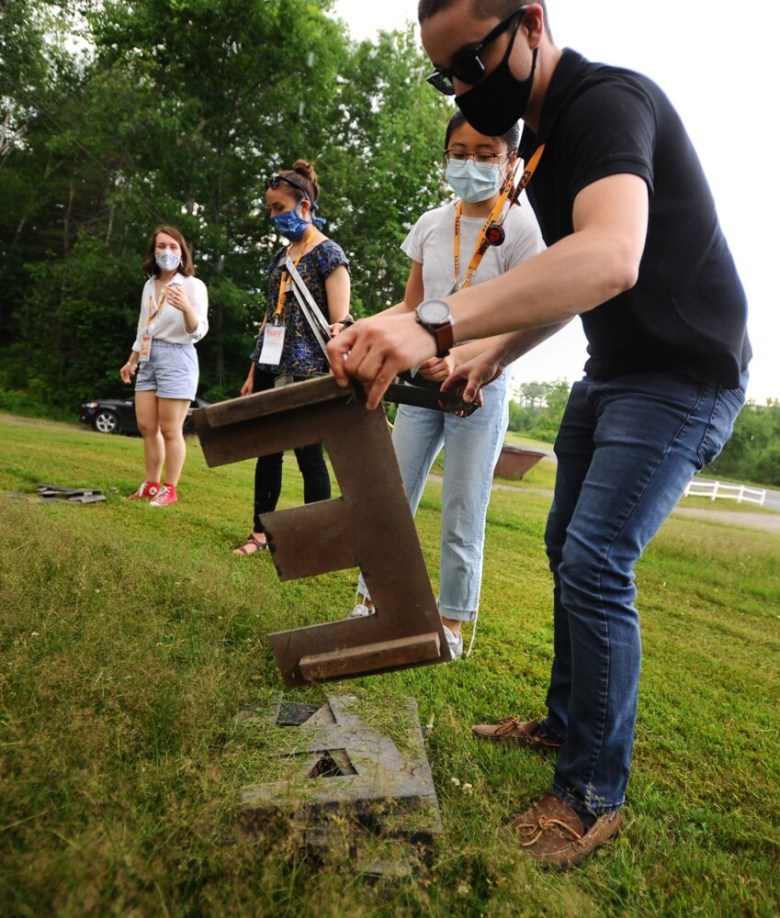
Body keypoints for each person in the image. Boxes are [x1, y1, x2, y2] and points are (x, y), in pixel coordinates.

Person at [327, 0, 751, 868]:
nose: (461, 89)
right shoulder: (547, 140)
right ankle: (564, 724)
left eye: (471, 63)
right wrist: (491, 354)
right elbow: (570, 285)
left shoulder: (607, 104)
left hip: (684, 375)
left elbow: (611, 257)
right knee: (566, 546)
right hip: (616, 369)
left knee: (596, 561)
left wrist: (436, 324)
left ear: (531, 22)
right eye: (444, 75)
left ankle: (591, 794)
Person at [348, 110, 545, 662]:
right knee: (390, 495)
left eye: (486, 155)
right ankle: (370, 600)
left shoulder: (522, 229)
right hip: (419, 387)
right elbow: (412, 307)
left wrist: (459, 357)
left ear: (510, 160)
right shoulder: (432, 223)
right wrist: (360, 329)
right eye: (459, 153)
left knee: (463, 507)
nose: (470, 164)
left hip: (478, 390)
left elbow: (525, 319)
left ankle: (451, 621)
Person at [233, 159, 350, 555]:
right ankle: (260, 534)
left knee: (309, 456)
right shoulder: (280, 257)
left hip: (308, 368)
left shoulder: (329, 254)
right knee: (267, 451)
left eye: (279, 208)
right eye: (270, 209)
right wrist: (253, 370)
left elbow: (340, 322)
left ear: (304, 206)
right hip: (270, 363)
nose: (274, 216)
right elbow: (270, 315)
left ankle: (317, 540)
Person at [121, 225, 209, 507]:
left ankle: (170, 489)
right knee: (147, 426)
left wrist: (186, 307)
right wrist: (132, 360)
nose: (167, 251)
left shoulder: (193, 285)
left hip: (177, 357)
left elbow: (198, 331)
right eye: (161, 246)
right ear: (153, 251)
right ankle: (151, 484)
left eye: (173, 246)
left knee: (171, 429)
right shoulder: (149, 285)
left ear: (182, 253)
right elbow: (143, 327)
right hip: (148, 356)